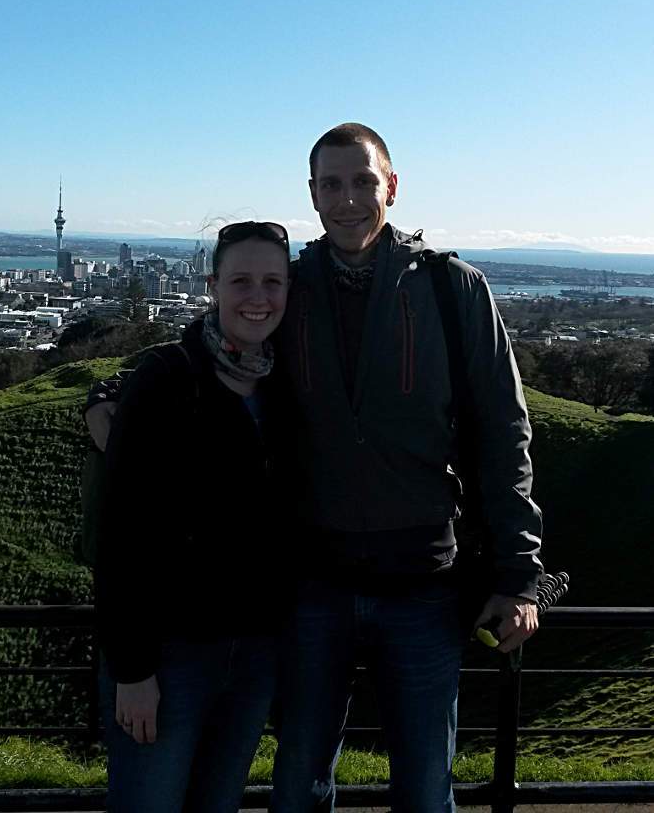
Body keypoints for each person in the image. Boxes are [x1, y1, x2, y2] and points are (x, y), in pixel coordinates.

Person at [269, 123, 543, 812]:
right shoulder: (287, 291)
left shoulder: (453, 289)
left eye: (363, 181)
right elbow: (216, 357)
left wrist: (519, 573)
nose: (349, 199)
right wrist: (112, 393)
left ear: (391, 186)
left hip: (423, 583)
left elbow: (504, 432)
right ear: (312, 195)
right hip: (313, 583)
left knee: (425, 789)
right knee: (298, 783)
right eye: (332, 184)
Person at [95, 221, 292, 813]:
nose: (257, 297)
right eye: (241, 280)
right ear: (212, 285)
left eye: (272, 282)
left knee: (218, 804)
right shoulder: (167, 378)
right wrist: (131, 669)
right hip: (171, 651)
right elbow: (121, 528)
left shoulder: (286, 385)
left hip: (255, 649)